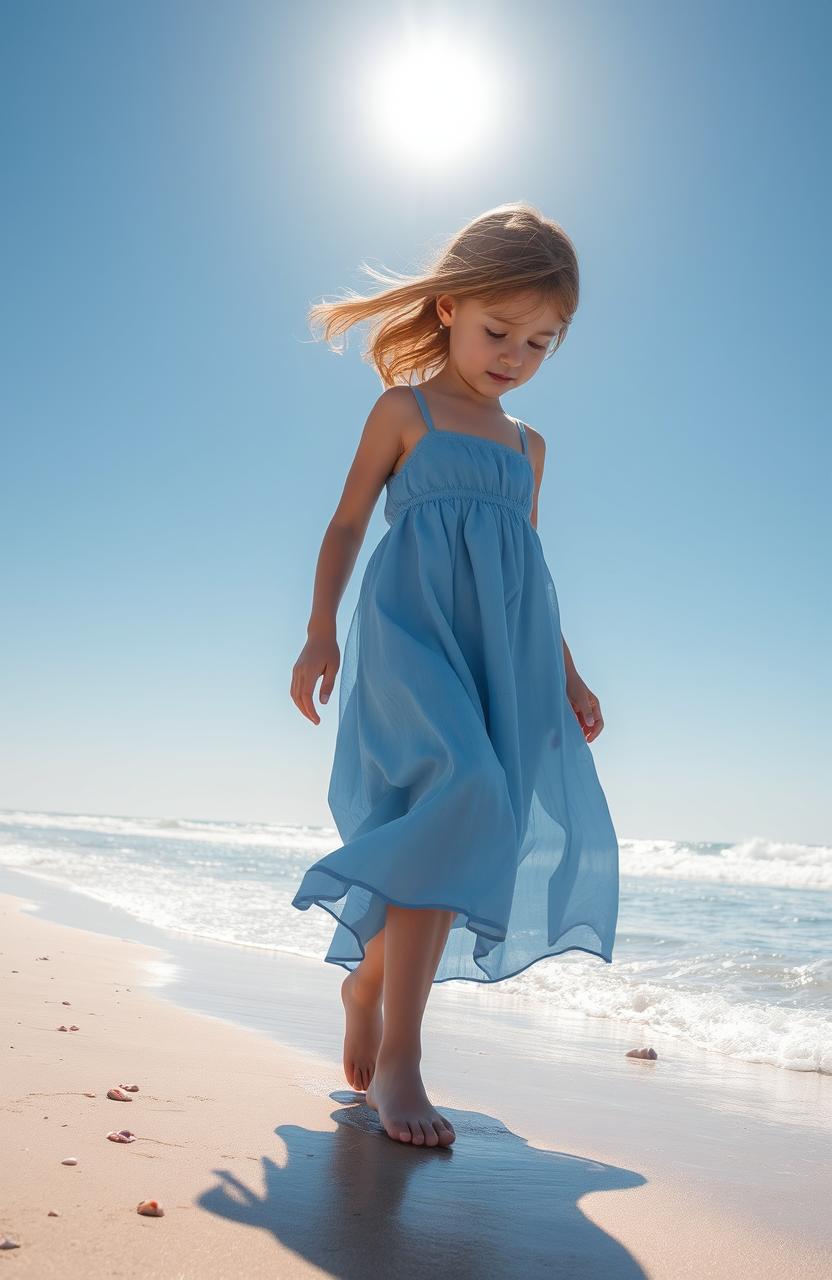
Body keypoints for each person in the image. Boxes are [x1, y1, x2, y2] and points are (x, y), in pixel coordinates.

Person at [290, 202, 619, 1149]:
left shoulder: (529, 447)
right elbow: (349, 522)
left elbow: (532, 571)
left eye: (541, 342)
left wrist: (570, 675)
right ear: (446, 308)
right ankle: (402, 1058)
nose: (515, 354)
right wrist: (320, 632)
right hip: (409, 638)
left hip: (502, 655)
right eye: (498, 330)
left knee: (464, 824)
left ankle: (367, 982)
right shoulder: (407, 409)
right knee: (466, 792)